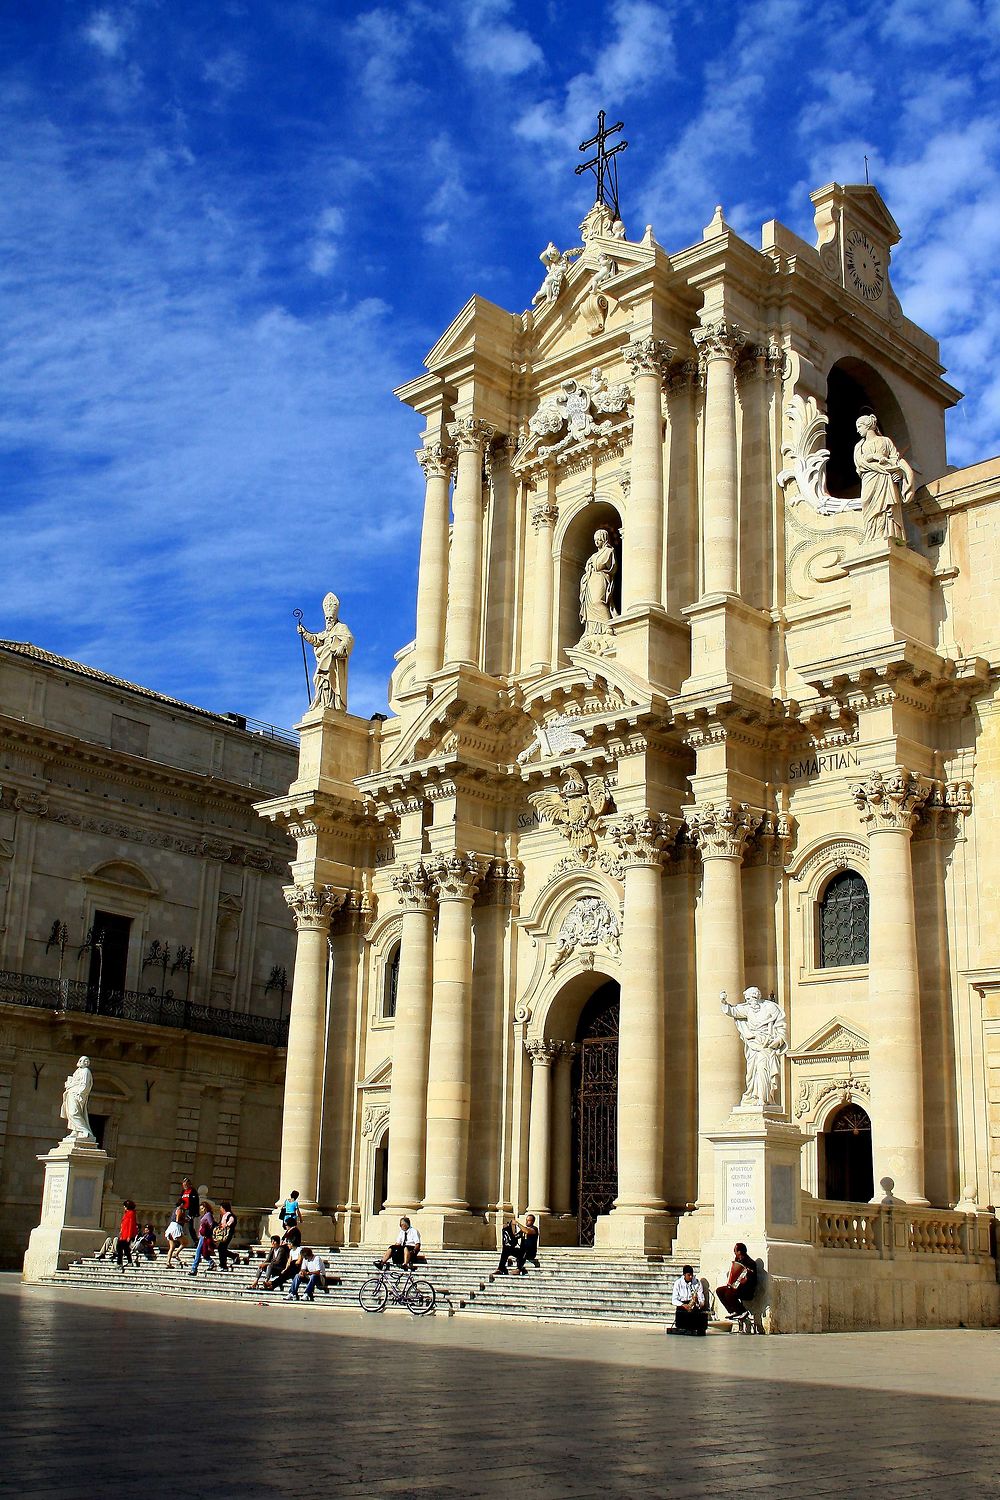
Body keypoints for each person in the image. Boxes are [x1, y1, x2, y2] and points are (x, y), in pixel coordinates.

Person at [716, 1243, 758, 1321]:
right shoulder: (737, 1261)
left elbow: (753, 1280)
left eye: (735, 1250)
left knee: (729, 1293)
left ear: (739, 1252)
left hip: (747, 1290)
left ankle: (743, 1311)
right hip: (737, 1287)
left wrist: (746, 1279)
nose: (734, 1252)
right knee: (720, 1291)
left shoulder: (750, 1263)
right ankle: (733, 1310)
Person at [668, 1266, 708, 1336]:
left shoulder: (697, 1283)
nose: (691, 1277)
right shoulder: (678, 1283)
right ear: (684, 1275)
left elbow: (702, 1299)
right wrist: (683, 1305)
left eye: (692, 1275)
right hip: (682, 1305)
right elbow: (674, 1300)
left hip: (694, 1305)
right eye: (688, 1275)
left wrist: (698, 1302)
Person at [188, 1202, 217, 1277]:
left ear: (206, 1207)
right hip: (201, 1236)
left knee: (198, 1252)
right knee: (204, 1253)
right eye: (200, 1209)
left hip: (204, 1237)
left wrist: (207, 1234)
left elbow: (211, 1224)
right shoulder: (205, 1215)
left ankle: (194, 1269)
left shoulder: (208, 1215)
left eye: (202, 1208)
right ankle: (211, 1263)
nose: (201, 1210)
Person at [176, 1177, 200, 1247]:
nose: (184, 1186)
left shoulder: (193, 1191)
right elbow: (180, 1201)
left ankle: (196, 1241)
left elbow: (195, 1202)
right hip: (183, 1211)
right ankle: (178, 1240)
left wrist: (195, 1213)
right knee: (180, 1226)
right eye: (183, 1184)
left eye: (186, 1184)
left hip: (189, 1211)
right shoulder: (183, 1192)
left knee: (190, 1227)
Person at [214, 1201, 237, 1271]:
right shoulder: (223, 1216)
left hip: (227, 1234)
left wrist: (225, 1225)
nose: (220, 1209)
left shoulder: (230, 1215)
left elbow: (231, 1222)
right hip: (223, 1234)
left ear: (224, 1208)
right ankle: (233, 1256)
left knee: (221, 1248)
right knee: (221, 1248)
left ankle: (223, 1265)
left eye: (221, 1208)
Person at [115, 1200, 137, 1271]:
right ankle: (129, 1261)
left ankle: (119, 1262)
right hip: (124, 1234)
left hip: (126, 1235)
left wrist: (129, 1236)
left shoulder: (130, 1213)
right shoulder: (127, 1213)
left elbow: (131, 1225)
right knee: (126, 1249)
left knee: (120, 1248)